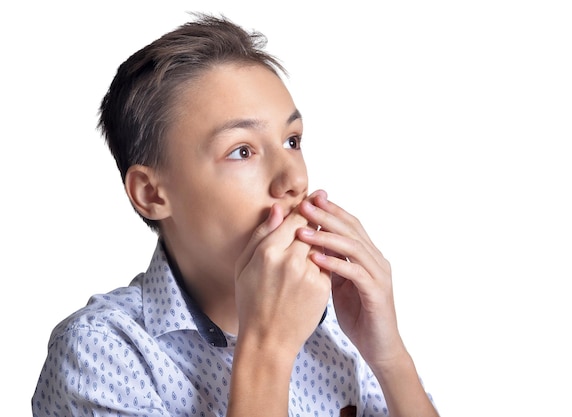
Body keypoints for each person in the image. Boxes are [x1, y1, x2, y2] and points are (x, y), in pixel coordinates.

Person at [32, 13, 439, 417]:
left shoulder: (341, 327)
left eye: (292, 140)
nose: (293, 179)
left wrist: (389, 357)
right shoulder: (99, 354)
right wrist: (267, 350)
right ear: (151, 194)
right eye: (242, 150)